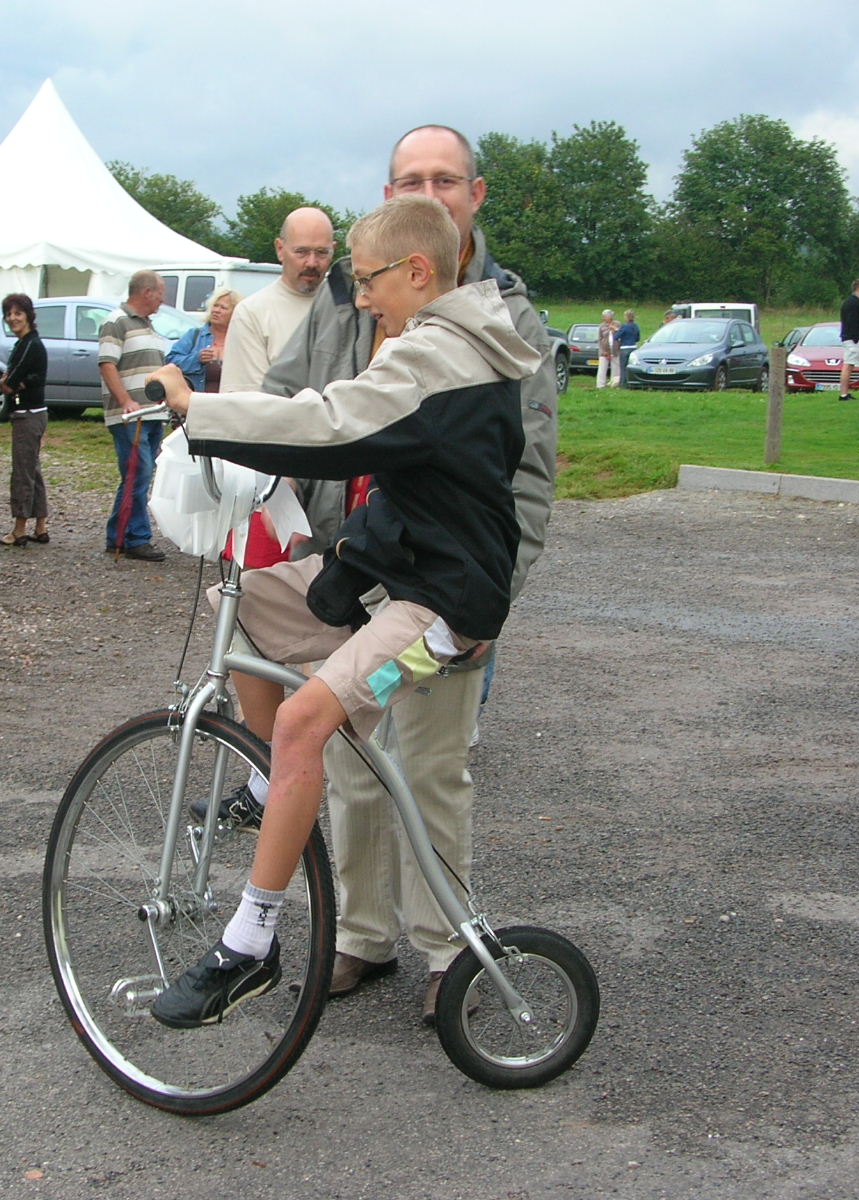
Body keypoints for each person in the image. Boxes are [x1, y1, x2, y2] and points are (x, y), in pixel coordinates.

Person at [144, 194, 543, 1029]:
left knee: (316, 727)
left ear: (419, 272)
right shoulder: (435, 339)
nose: (360, 298)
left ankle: (249, 942)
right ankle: (268, 783)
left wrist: (201, 411)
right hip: (385, 571)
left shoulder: (445, 354)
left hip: (439, 615)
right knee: (241, 600)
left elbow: (332, 425)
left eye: (368, 281)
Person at [261, 124, 558, 1022]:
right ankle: (359, 933)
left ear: (475, 194)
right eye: (404, 180)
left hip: (441, 590)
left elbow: (530, 473)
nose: (422, 192)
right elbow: (290, 403)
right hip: (350, 571)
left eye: (441, 179)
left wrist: (491, 593)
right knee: (345, 754)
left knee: (430, 765)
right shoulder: (357, 295)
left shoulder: (506, 318)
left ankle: (447, 953)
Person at [221, 208, 336, 393]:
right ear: (280, 249)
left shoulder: (350, 307)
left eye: (322, 252)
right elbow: (247, 402)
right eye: (302, 252)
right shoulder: (252, 313)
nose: (312, 263)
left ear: (334, 250)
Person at [98, 270, 168, 561]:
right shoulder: (117, 321)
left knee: (136, 476)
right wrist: (125, 400)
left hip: (152, 414)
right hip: (130, 417)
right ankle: (137, 537)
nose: (163, 300)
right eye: (161, 293)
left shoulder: (149, 326)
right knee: (138, 474)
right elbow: (106, 363)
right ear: (147, 292)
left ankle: (119, 536)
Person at [0, 293, 49, 548]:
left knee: (22, 472)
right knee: (32, 468)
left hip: (28, 415)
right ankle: (41, 525)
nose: (13, 319)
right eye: (9, 314)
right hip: (32, 412)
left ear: (28, 316)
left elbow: (10, 382)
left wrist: (10, 382)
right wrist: (11, 382)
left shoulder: (30, 344)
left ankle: (19, 528)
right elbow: (12, 380)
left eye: (18, 313)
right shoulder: (24, 344)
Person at [166, 288, 240, 392]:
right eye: (215, 305)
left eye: (223, 308)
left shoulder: (240, 340)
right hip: (196, 403)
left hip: (230, 404)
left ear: (235, 313)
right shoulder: (194, 335)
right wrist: (196, 359)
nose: (216, 310)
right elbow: (170, 363)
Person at [838, 279, 859, 401]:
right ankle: (843, 393)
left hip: (850, 337)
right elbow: (852, 322)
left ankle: (846, 392)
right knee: (848, 365)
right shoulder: (852, 303)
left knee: (850, 365)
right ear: (858, 288)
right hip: (851, 339)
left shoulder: (853, 302)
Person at [595, 309, 620, 389]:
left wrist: (614, 329)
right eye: (604, 316)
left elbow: (620, 335)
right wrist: (603, 351)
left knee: (616, 369)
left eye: (605, 316)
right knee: (602, 369)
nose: (604, 318)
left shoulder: (617, 324)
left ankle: (614, 384)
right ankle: (600, 385)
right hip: (604, 351)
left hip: (615, 350)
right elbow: (599, 339)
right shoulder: (601, 326)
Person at [616, 309, 641, 378]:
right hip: (633, 347)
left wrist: (617, 330)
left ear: (626, 317)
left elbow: (616, 337)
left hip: (624, 348)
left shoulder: (624, 326)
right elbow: (638, 338)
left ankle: (623, 384)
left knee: (623, 367)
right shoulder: (636, 326)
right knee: (631, 366)